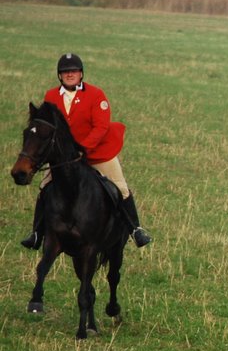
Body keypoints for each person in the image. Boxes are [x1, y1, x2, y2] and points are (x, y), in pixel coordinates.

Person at [21, 53, 152, 249]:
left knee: (121, 187)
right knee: (45, 187)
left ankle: (136, 230)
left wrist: (83, 148)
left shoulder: (96, 95)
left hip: (96, 152)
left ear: (81, 74)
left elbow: (101, 127)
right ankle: (37, 234)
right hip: (65, 158)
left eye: (73, 71)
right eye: (65, 72)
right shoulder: (51, 96)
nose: (69, 74)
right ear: (59, 76)